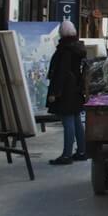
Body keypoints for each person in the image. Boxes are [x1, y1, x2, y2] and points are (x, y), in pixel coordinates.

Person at [46, 21, 87, 165]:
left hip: (65, 92)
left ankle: (66, 154)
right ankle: (82, 151)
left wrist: (55, 92)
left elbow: (60, 73)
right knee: (76, 121)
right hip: (76, 89)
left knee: (68, 121)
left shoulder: (65, 50)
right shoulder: (77, 47)